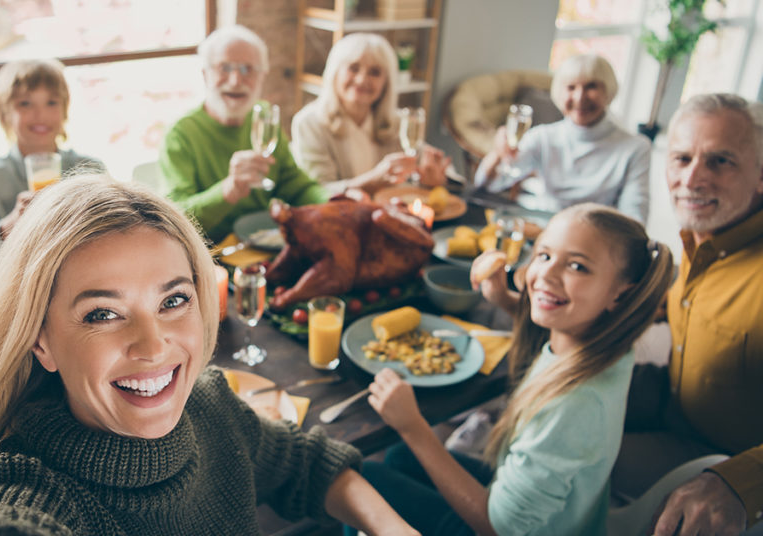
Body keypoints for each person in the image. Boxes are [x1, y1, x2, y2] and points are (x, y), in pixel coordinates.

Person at [0, 177, 418, 535]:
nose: (153, 347)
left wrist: (393, 527)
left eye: (173, 301)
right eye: (102, 313)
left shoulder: (211, 405)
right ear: (39, 339)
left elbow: (307, 465)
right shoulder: (25, 486)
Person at [360, 203, 673, 535]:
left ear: (621, 296)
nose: (547, 275)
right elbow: (560, 330)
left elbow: (499, 526)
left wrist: (413, 426)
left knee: (365, 477)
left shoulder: (575, 406)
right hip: (562, 516)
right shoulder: (610, 344)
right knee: (398, 458)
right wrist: (508, 301)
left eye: (578, 266)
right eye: (544, 255)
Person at [611, 93, 763, 536]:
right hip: (671, 405)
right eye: (681, 158)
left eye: (720, 161)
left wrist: (740, 483)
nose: (692, 178)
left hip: (725, 456)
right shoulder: (703, 238)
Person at [159, 25, 329, 242]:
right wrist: (228, 190)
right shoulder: (180, 134)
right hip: (211, 256)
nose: (236, 81)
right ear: (205, 75)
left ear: (262, 77)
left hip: (264, 243)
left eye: (248, 69)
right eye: (225, 68)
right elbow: (174, 220)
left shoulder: (264, 118)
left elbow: (293, 184)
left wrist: (332, 201)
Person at [0, 58, 104, 292]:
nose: (40, 114)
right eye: (25, 104)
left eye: (51, 102)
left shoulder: (90, 170)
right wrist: (8, 228)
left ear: (64, 111)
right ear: (6, 115)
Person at [474, 54, 651, 223]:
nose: (580, 97)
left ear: (609, 91)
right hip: (544, 231)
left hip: (597, 239)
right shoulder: (542, 137)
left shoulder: (635, 148)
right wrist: (498, 153)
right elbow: (489, 184)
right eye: (571, 87)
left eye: (591, 86)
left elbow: (635, 219)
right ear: (559, 93)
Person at [291, 33, 449, 195]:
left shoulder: (398, 122)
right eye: (353, 68)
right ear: (335, 72)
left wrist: (436, 179)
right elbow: (317, 191)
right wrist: (372, 180)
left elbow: (445, 170)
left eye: (374, 72)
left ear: (386, 83)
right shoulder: (309, 123)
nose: (361, 80)